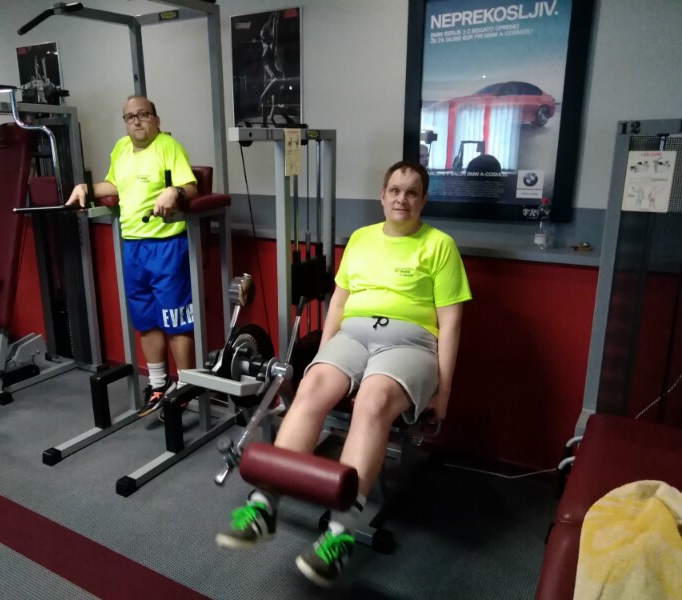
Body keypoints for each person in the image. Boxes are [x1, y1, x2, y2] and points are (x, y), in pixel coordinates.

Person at [216, 160, 472, 586]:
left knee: (372, 398)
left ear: (424, 200)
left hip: (409, 343)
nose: (401, 198)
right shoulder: (361, 238)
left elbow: (451, 320)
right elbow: (338, 302)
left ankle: (339, 533)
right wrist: (321, 351)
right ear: (382, 194)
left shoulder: (440, 245)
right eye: (394, 189)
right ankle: (264, 505)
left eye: (412, 192)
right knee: (312, 387)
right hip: (353, 336)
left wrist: (444, 388)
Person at [67, 95, 199, 417]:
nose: (136, 121)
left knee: (176, 321)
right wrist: (84, 187)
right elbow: (114, 184)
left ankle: (184, 389)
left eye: (142, 115)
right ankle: (158, 386)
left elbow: (191, 186)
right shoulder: (121, 149)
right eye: (129, 117)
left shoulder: (168, 147)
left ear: (156, 119)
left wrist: (175, 191)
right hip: (133, 247)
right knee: (146, 318)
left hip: (166, 246)